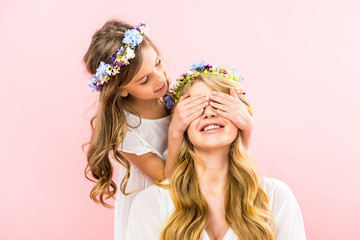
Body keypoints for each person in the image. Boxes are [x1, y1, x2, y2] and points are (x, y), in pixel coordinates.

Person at [83, 20, 254, 240]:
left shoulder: (173, 96)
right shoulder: (124, 131)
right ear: (121, 91)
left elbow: (227, 155)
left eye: (158, 63)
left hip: (194, 188)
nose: (160, 79)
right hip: (158, 194)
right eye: (144, 80)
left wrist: (246, 128)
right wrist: (175, 131)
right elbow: (167, 180)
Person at [126, 63, 306, 240]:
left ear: (241, 117)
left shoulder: (276, 197)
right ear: (181, 126)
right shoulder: (149, 205)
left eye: (220, 104)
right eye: (197, 107)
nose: (209, 113)